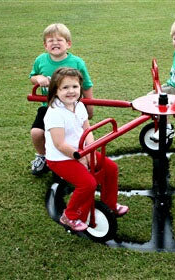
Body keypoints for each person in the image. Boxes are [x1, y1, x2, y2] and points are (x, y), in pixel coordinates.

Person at [44, 67, 128, 231]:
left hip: (81, 151)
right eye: (65, 88)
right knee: (87, 183)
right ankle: (69, 215)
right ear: (55, 91)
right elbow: (59, 144)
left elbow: (87, 131)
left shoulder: (79, 106)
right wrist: (79, 157)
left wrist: (90, 151)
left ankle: (109, 203)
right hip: (61, 157)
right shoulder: (54, 113)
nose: (71, 91)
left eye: (74, 87)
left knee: (111, 168)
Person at [29, 23, 94, 175]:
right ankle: (42, 156)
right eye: (50, 40)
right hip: (49, 107)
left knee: (72, 133)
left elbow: (86, 84)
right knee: (37, 133)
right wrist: (38, 78)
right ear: (45, 45)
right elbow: (32, 77)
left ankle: (75, 154)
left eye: (59, 40)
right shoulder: (41, 60)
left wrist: (89, 105)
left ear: (68, 44)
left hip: (71, 107)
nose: (55, 43)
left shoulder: (77, 62)